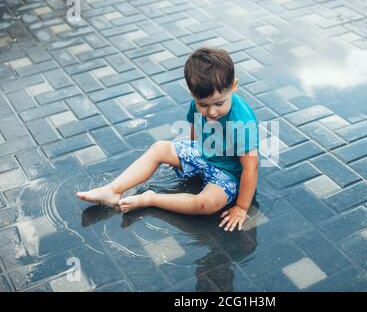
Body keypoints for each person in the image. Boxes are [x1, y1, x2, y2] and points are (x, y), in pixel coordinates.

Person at [76, 47, 259, 232]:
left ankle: (150, 199)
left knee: (207, 204)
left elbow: (251, 168)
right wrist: (189, 157)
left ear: (234, 86)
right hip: (204, 154)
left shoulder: (241, 122)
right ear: (191, 93)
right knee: (160, 148)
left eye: (219, 103)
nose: (211, 112)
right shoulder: (199, 102)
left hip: (228, 173)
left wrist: (242, 207)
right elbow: (196, 127)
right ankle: (112, 190)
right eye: (203, 105)